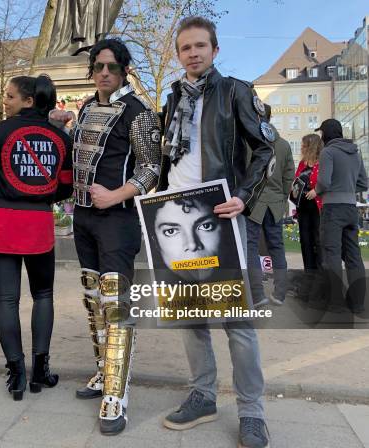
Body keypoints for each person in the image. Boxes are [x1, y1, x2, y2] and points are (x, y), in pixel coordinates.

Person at [157, 17, 274, 448]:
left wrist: (244, 196)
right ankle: (203, 396)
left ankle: (252, 412)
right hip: (175, 215)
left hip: (222, 215)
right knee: (191, 318)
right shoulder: (172, 98)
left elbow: (266, 149)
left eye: (200, 45)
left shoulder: (235, 91)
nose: (193, 53)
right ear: (179, 53)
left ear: (215, 49)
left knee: (237, 322)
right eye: (186, 47)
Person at [51, 38, 161, 435]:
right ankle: (103, 373)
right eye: (98, 66)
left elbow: (151, 169)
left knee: (115, 305)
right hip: (83, 218)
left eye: (111, 67)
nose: (103, 72)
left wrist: (115, 195)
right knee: (94, 300)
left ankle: (116, 395)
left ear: (124, 70)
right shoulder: (84, 108)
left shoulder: (140, 112)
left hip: (118, 219)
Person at [0, 74, 73, 401]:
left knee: (7, 299)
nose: (4, 100)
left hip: (3, 218)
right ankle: (40, 370)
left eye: (9, 96)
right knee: (43, 295)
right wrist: (42, 194)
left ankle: (16, 373)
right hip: (37, 221)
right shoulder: (61, 138)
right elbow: (65, 184)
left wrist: (5, 194)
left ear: (28, 101)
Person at [314, 119, 368, 313]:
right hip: (351, 209)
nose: (320, 137)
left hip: (332, 209)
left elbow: (324, 182)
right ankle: (358, 304)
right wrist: (348, 188)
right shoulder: (355, 152)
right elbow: (364, 183)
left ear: (326, 134)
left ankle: (335, 303)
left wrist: (317, 190)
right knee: (354, 257)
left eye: (321, 134)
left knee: (332, 256)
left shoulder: (328, 152)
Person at [246, 105, 295, 307]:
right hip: (275, 203)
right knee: (277, 247)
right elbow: (288, 176)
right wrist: (282, 199)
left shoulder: (249, 141)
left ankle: (257, 294)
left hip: (253, 202)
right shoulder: (283, 144)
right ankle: (280, 293)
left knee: (250, 247)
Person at [293, 133, 323, 299]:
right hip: (303, 209)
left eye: (304, 145)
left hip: (317, 209)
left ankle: (320, 286)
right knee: (306, 244)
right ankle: (309, 284)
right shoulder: (302, 163)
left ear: (311, 146)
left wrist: (316, 190)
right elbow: (296, 181)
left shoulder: (323, 163)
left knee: (318, 244)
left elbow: (326, 183)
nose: (302, 148)